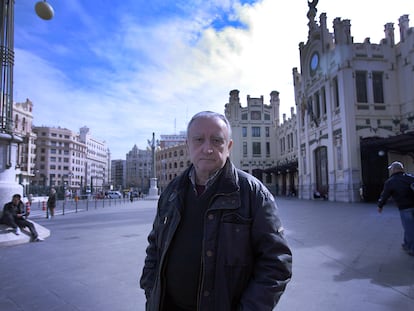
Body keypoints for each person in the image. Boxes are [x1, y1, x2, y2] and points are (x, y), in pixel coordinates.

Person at [140, 111, 292, 311]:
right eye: (199, 140)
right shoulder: (172, 191)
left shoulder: (253, 194)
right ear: (188, 145)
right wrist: (151, 288)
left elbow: (276, 263)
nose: (207, 149)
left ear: (228, 147)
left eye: (216, 140)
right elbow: (155, 246)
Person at [377, 161, 414, 256]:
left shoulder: (390, 181)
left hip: (405, 207)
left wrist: (380, 205)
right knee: (409, 227)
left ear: (394, 169)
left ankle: (412, 249)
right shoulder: (410, 177)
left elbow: (385, 195)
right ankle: (406, 244)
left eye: (391, 169)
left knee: (409, 228)